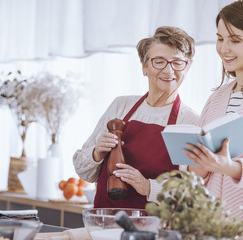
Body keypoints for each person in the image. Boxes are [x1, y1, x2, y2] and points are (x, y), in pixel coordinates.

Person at [73, 26, 199, 209]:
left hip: (154, 230)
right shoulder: (120, 106)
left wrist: (148, 187)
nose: (169, 70)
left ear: (186, 68)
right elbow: (84, 171)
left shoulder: (190, 122)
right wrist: (97, 153)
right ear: (145, 67)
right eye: (159, 61)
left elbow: (191, 195)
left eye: (177, 62)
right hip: (104, 222)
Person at [185, 0, 243, 239]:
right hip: (213, 226)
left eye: (235, 40)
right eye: (220, 38)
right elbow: (200, 174)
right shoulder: (217, 97)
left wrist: (231, 168)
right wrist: (198, 163)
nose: (224, 48)